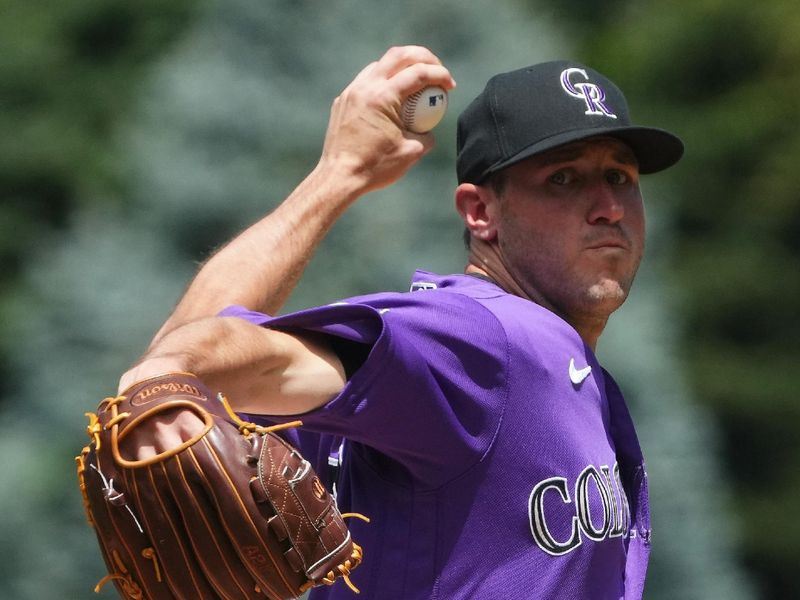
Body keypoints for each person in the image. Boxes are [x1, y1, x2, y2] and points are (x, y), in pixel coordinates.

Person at [120, 46, 683, 599]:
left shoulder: (557, 363)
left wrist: (165, 371)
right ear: (481, 212)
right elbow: (245, 355)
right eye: (563, 179)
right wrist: (170, 371)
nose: (607, 205)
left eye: (620, 176)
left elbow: (200, 350)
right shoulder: (478, 340)